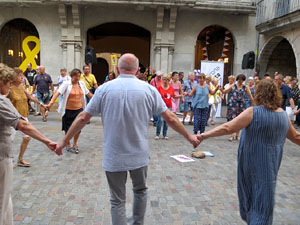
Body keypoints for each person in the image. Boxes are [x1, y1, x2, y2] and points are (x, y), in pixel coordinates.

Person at [54, 53, 200, 225]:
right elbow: (171, 118)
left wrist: (64, 141)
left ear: (117, 69)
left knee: (117, 199)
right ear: (138, 70)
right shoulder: (148, 89)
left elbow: (82, 118)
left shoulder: (104, 89)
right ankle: (137, 223)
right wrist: (189, 136)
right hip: (139, 154)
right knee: (140, 191)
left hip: (113, 155)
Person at [198, 79, 300, 225]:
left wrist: (204, 135)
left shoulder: (253, 112)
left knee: (253, 200)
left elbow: (228, 127)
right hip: (270, 169)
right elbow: (296, 136)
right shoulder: (283, 116)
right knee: (263, 200)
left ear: (259, 93)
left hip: (251, 166)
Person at [0, 63, 57, 225]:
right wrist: (47, 141)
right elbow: (23, 125)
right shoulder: (2, 101)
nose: (11, 85)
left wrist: (42, 105)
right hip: (1, 156)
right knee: (2, 200)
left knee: (6, 199)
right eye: (8, 82)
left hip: (7, 146)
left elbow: (30, 98)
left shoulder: (8, 96)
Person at [47, 69, 93, 154]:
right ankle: (67, 143)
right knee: (67, 128)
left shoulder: (82, 84)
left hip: (79, 110)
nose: (78, 78)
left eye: (79, 76)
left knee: (78, 128)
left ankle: (75, 144)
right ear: (72, 76)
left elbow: (88, 94)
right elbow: (57, 93)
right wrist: (51, 103)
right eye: (76, 76)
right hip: (68, 110)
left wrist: (98, 100)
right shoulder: (66, 84)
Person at [8, 67, 46, 167]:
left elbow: (30, 96)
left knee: (27, 137)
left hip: (23, 115)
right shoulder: (9, 87)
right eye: (20, 76)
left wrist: (41, 104)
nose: (22, 78)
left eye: (22, 76)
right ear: (14, 77)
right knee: (8, 140)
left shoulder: (21, 86)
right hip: (12, 117)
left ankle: (20, 159)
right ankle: (8, 160)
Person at [222, 74, 253, 141]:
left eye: (241, 80)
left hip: (241, 105)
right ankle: (231, 135)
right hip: (233, 104)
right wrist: (220, 90)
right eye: (239, 79)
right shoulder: (233, 86)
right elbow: (225, 91)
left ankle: (238, 135)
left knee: (239, 120)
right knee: (232, 120)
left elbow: (250, 96)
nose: (240, 81)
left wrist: (254, 103)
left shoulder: (245, 87)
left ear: (243, 80)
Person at [155, 74, 175, 140]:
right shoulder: (159, 88)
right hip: (161, 106)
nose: (164, 81)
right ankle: (157, 134)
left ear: (169, 80)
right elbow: (156, 96)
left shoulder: (171, 88)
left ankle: (164, 134)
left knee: (166, 121)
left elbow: (173, 95)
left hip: (168, 106)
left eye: (166, 79)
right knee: (160, 120)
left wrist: (181, 96)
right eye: (163, 79)